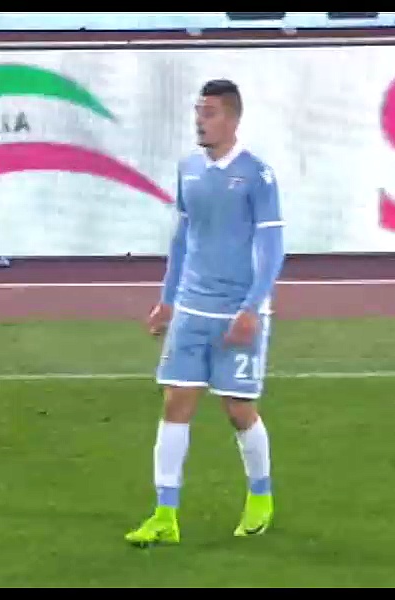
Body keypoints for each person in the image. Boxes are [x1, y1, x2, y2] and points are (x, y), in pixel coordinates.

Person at [125, 79, 286, 546]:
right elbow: (182, 239)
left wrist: (252, 307)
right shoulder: (188, 169)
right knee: (175, 403)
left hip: (236, 311)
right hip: (192, 308)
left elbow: (272, 247)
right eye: (198, 111)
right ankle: (164, 514)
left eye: (210, 112)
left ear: (232, 119)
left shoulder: (257, 175)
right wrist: (167, 300)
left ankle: (261, 498)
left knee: (238, 409)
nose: (200, 120)